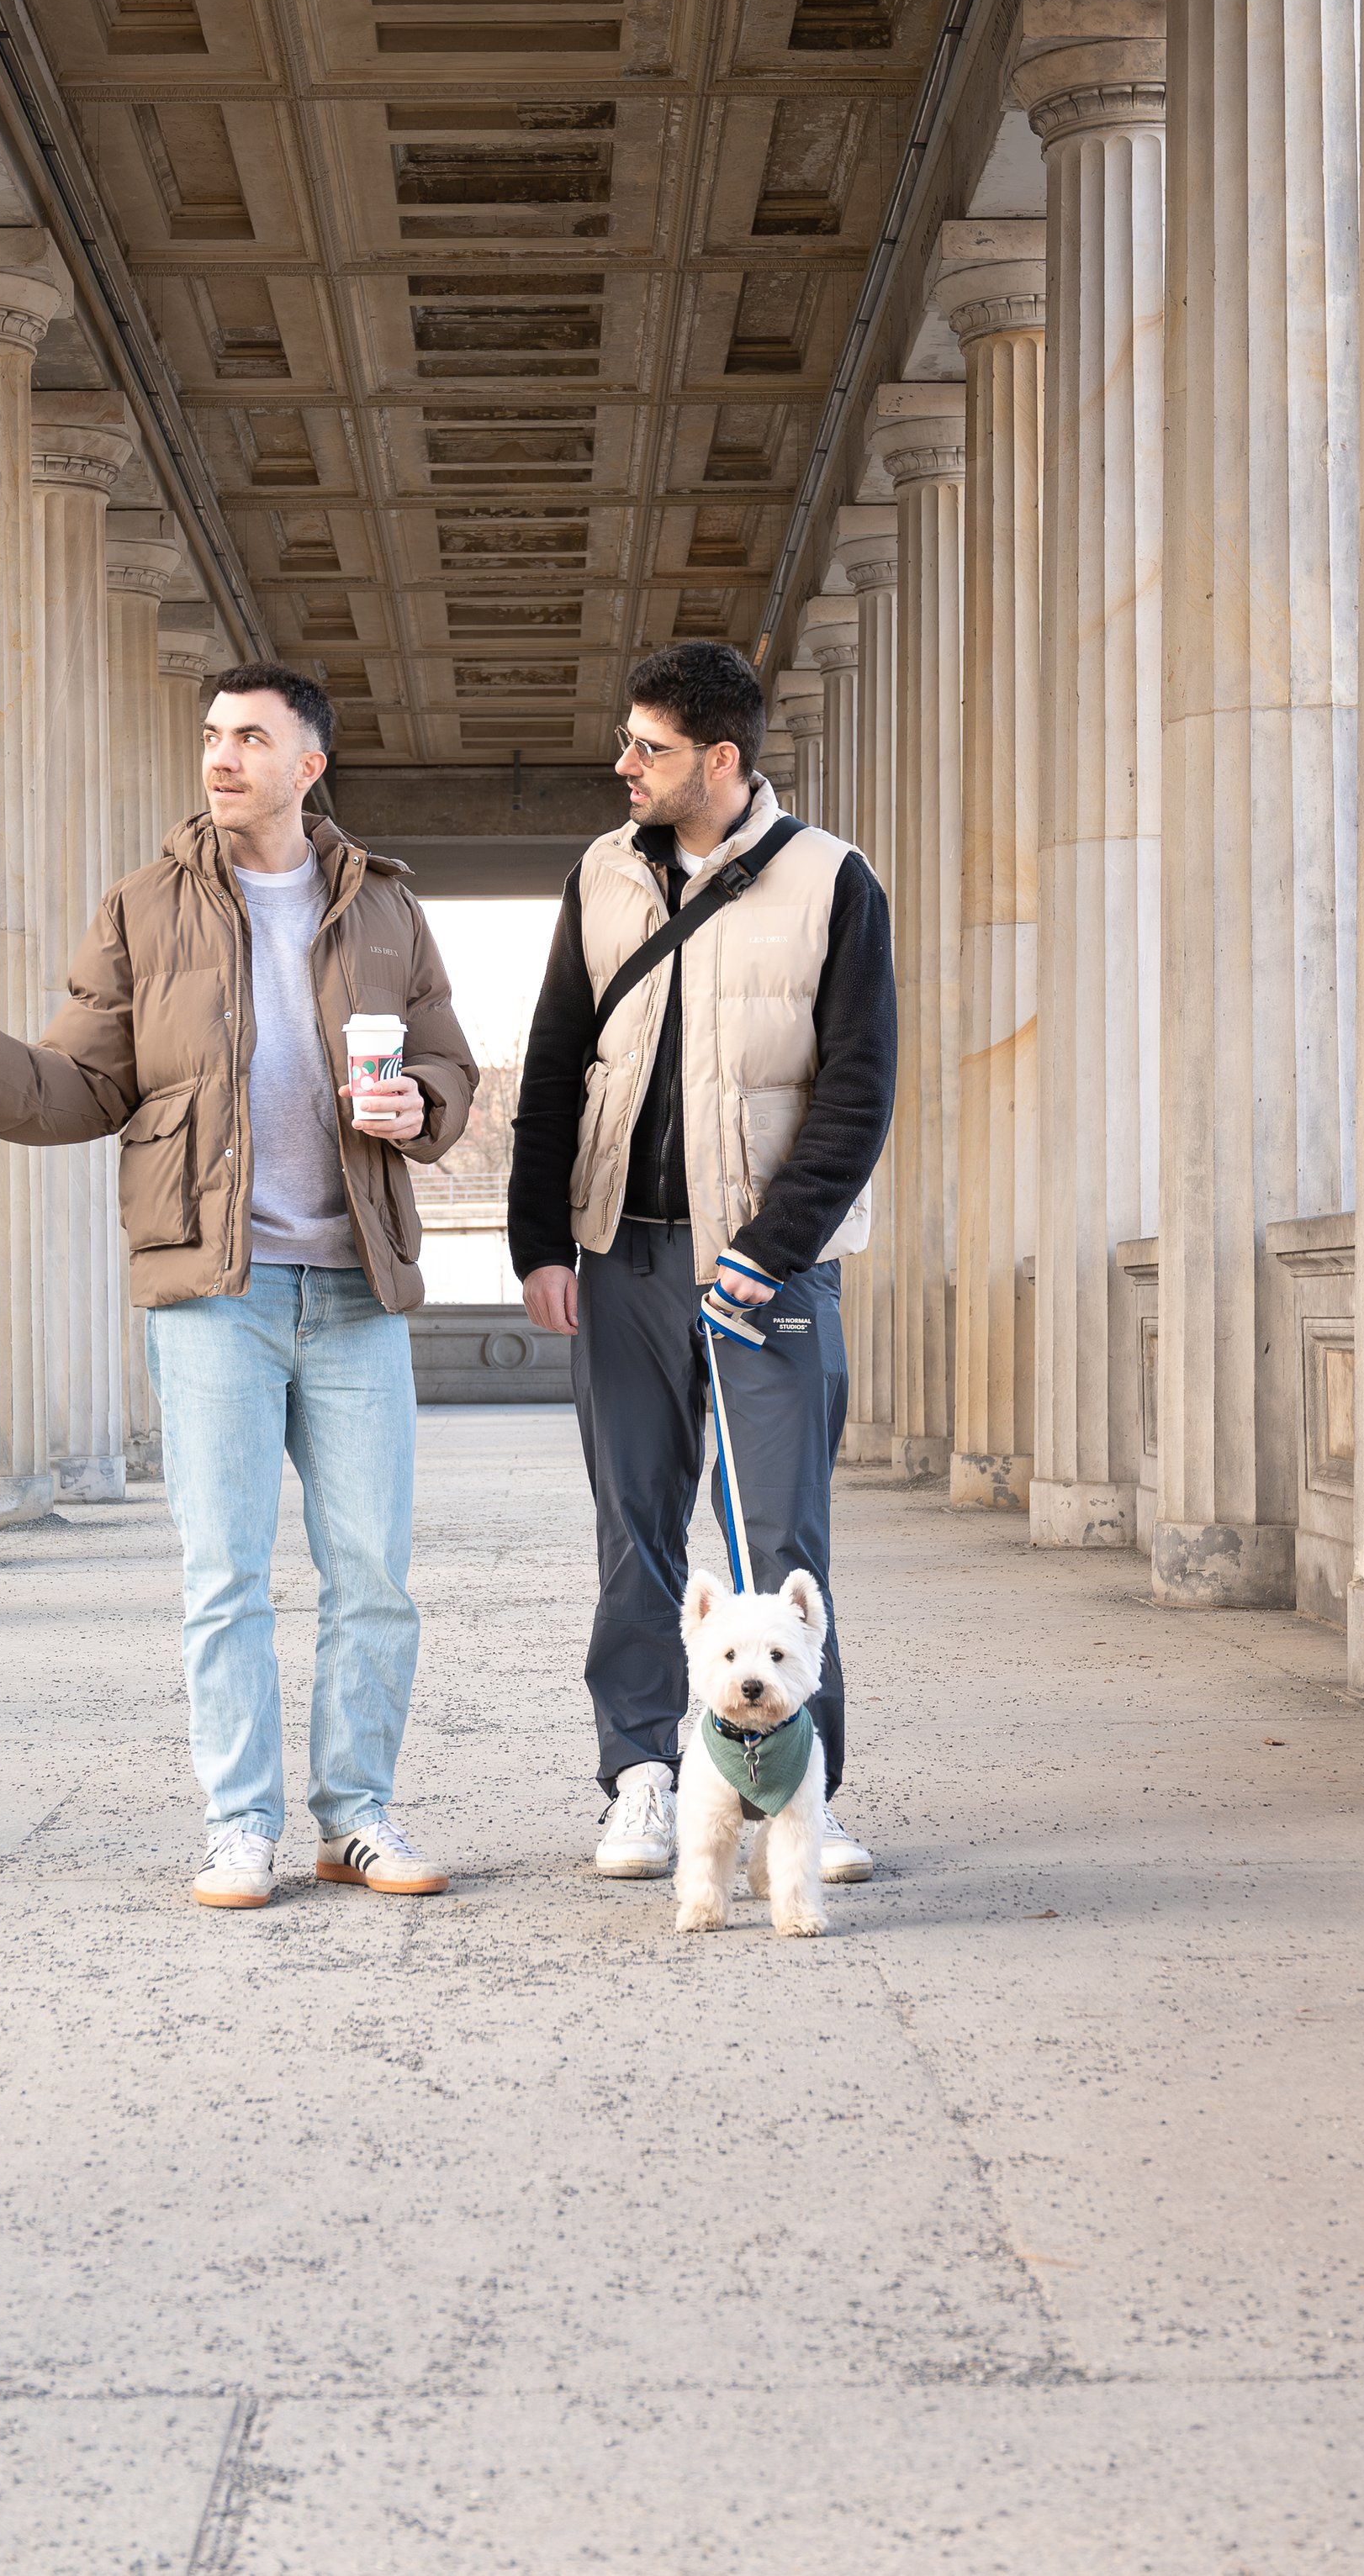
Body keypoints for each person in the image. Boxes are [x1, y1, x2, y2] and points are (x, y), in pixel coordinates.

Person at [0, 663, 477, 1913]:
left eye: (252, 737)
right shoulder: (144, 908)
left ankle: (356, 1816)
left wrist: (422, 1105)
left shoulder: (386, 909)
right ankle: (240, 1823)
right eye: (212, 735)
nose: (222, 755)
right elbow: (76, 1087)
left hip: (357, 1282)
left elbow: (450, 1069)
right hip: (215, 1290)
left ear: (311, 765)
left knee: (373, 1575)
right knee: (225, 1575)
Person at [508, 640, 896, 1885]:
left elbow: (858, 1092)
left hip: (768, 1271)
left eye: (650, 747)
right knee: (635, 1530)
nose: (623, 764)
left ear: (720, 760)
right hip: (622, 1255)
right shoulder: (599, 876)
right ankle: (640, 1778)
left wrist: (773, 1252)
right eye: (628, 742)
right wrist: (538, 1242)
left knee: (782, 1539)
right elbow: (557, 1060)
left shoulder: (835, 882)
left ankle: (802, 1801)